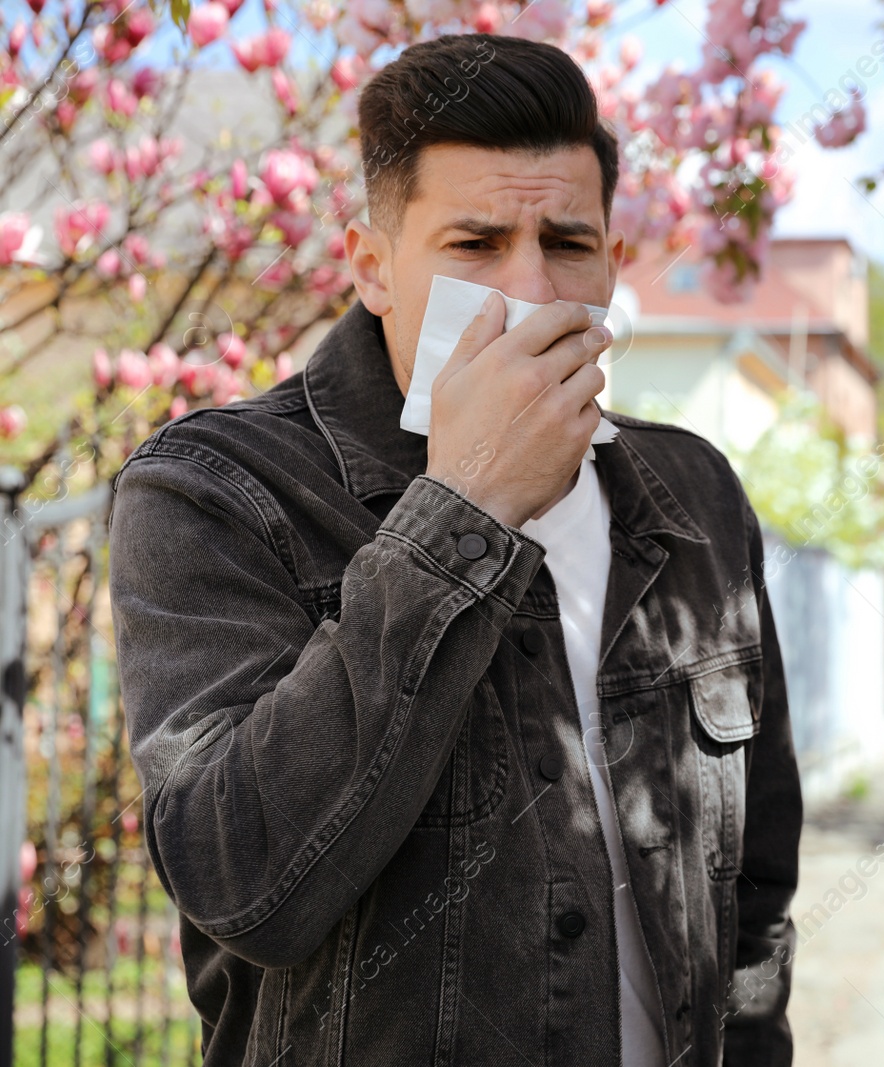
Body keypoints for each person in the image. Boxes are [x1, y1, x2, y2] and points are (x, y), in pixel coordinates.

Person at [108, 34, 801, 1067]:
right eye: (474, 246)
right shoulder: (212, 489)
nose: (528, 289)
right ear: (374, 269)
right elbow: (240, 879)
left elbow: (755, 896)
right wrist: (465, 502)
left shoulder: (693, 493)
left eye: (566, 242)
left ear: (613, 265)